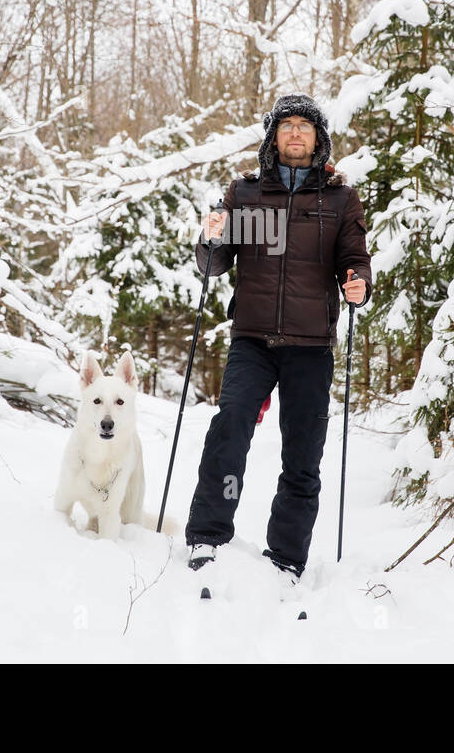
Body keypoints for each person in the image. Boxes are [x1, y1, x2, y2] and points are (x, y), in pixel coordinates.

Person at [185, 93, 373, 581]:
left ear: (318, 139)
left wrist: (358, 283)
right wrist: (210, 237)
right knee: (230, 429)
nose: (294, 133)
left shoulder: (338, 199)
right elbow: (214, 264)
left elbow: (354, 258)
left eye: (304, 127)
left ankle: (286, 557)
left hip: (311, 347)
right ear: (273, 137)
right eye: (286, 125)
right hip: (253, 339)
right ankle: (208, 534)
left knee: (303, 452)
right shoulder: (245, 194)